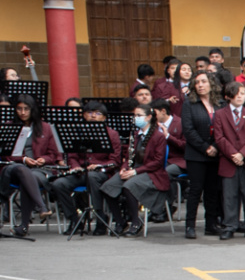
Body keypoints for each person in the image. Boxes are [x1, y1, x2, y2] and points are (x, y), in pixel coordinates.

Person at [98, 102, 169, 237]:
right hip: (134, 169)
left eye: (138, 115)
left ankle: (136, 221)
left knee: (129, 186)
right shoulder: (135, 134)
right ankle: (120, 221)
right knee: (107, 187)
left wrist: (135, 172)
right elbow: (128, 156)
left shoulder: (158, 136)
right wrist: (124, 168)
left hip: (151, 172)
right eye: (134, 115)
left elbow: (157, 162)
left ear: (148, 117)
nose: (135, 118)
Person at [51, 101, 122, 234]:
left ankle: (100, 218)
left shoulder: (112, 134)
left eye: (97, 113)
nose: (93, 116)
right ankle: (74, 219)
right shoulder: (77, 132)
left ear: (104, 117)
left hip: (101, 173)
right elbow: (72, 156)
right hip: (81, 172)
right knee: (59, 184)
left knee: (93, 177)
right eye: (89, 113)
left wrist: (99, 165)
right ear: (83, 115)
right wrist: (76, 166)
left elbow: (115, 160)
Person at [1, 95, 57, 237]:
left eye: (26, 109)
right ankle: (41, 206)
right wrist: (24, 159)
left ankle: (23, 227)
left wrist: (43, 159)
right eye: (19, 109)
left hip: (39, 169)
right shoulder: (9, 126)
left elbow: (53, 154)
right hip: (14, 166)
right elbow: (7, 154)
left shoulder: (45, 128)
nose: (23, 112)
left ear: (33, 110)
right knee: (22, 170)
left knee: (28, 178)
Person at [213, 81, 245, 239]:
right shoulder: (220, 114)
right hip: (228, 159)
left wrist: (243, 154)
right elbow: (219, 138)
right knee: (229, 195)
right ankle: (230, 225)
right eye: (237, 93)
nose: (240, 96)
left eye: (242, 93)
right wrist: (233, 154)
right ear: (228, 96)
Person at [181, 70, 223, 238]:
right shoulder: (189, 104)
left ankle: (211, 224)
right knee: (195, 190)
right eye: (197, 82)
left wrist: (215, 146)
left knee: (212, 190)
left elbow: (222, 128)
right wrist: (206, 147)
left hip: (216, 152)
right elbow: (188, 130)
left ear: (211, 84)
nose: (200, 85)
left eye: (203, 82)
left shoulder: (220, 103)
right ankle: (190, 225)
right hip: (196, 154)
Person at [152, 98, 185, 221]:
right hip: (160, 161)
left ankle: (167, 206)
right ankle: (155, 207)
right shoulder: (153, 126)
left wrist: (168, 136)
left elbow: (185, 146)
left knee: (166, 172)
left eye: (154, 113)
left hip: (178, 160)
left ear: (163, 111)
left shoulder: (180, 123)